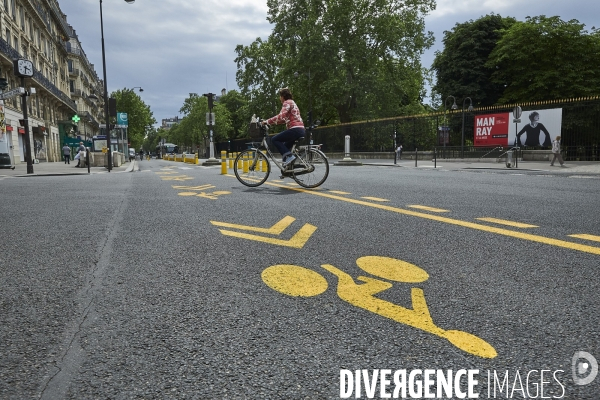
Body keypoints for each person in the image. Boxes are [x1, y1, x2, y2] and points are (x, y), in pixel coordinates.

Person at [261, 88, 305, 168]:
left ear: (283, 96)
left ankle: (290, 157)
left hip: (295, 129)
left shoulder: (287, 102)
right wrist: (272, 123)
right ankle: (287, 169)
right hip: (300, 129)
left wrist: (266, 121)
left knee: (274, 139)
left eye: (280, 96)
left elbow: (281, 116)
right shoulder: (292, 102)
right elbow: (283, 120)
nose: (279, 98)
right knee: (285, 147)